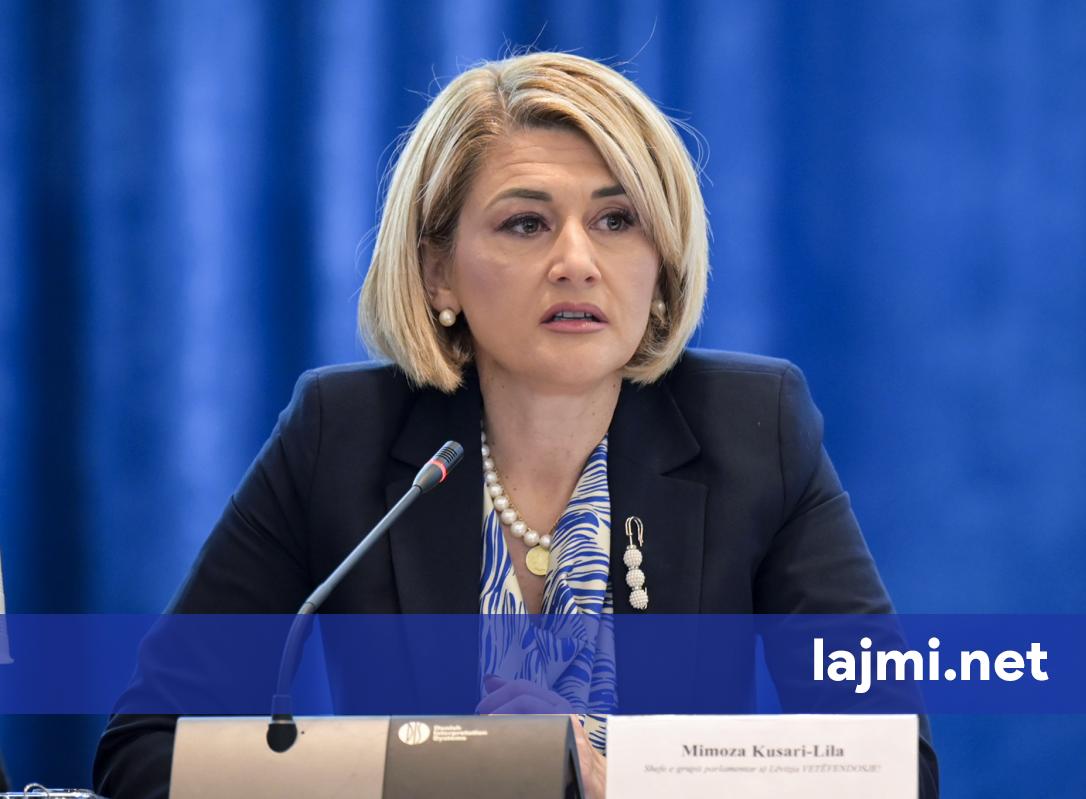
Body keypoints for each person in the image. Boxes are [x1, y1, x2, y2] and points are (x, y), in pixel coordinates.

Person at [94, 51, 938, 798]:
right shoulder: (340, 435)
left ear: (662, 261)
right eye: (526, 223)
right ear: (438, 272)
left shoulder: (755, 430)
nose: (577, 260)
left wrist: (623, 784)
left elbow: (894, 767)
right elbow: (146, 750)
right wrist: (443, 774)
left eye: (617, 220)